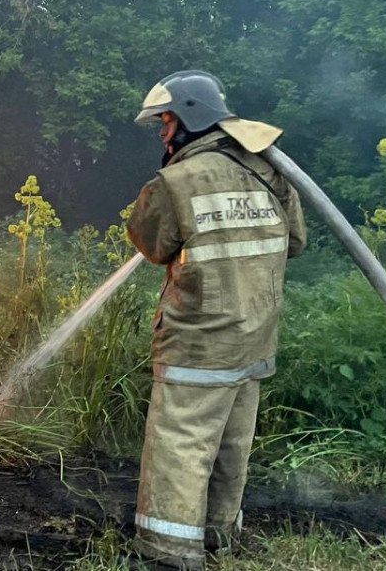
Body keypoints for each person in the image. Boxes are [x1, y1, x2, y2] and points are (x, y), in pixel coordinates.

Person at [125, 70, 308, 570]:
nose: (162, 134)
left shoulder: (177, 181)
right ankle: (218, 535)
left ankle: (167, 552)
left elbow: (151, 243)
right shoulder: (269, 170)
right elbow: (295, 242)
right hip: (254, 338)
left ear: (188, 117)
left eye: (165, 122)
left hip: (200, 344)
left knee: (181, 446)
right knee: (232, 444)